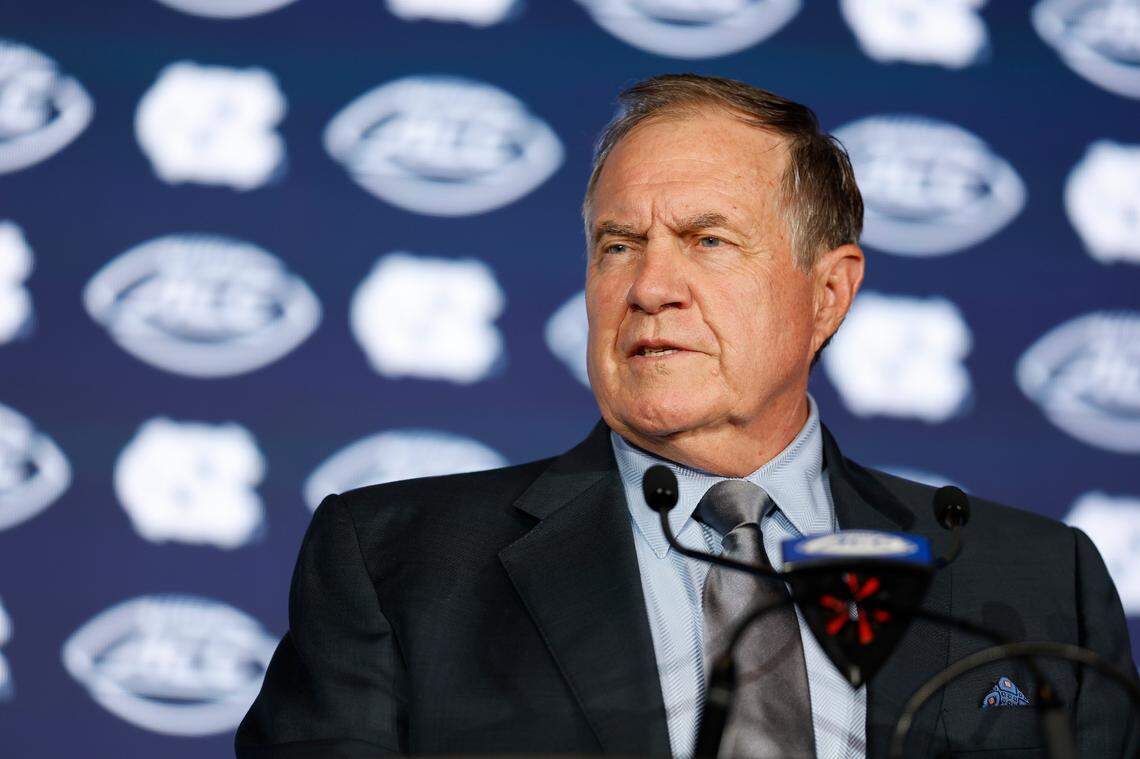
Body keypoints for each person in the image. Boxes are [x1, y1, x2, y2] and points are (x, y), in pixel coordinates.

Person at [235, 74, 1137, 758]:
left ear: (829, 293)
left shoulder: (1032, 580)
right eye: (617, 246)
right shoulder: (400, 566)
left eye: (709, 241)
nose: (650, 288)